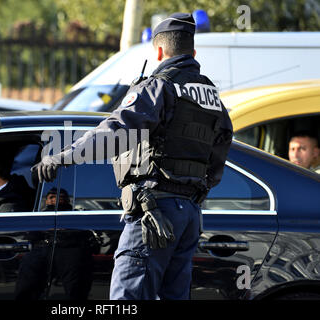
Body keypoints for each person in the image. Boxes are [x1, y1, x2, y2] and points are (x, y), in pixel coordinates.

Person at [32, 12, 233, 300]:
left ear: (160, 51)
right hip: (189, 214)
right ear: (194, 52)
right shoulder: (213, 98)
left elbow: (114, 132)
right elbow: (221, 148)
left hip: (154, 213)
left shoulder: (159, 87)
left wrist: (62, 157)